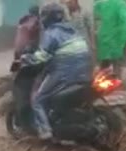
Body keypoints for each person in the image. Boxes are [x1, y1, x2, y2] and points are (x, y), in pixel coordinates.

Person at [21, 3, 93, 140]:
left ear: (47, 18)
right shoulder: (72, 30)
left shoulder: (51, 33)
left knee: (38, 99)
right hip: (84, 71)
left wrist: (27, 59)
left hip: (65, 73)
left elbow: (42, 57)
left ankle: (45, 131)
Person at [94, 0, 126, 78]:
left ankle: (102, 80)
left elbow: (95, 16)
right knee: (117, 63)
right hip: (118, 39)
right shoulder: (121, 5)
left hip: (105, 39)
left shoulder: (101, 4)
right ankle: (116, 80)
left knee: (104, 63)